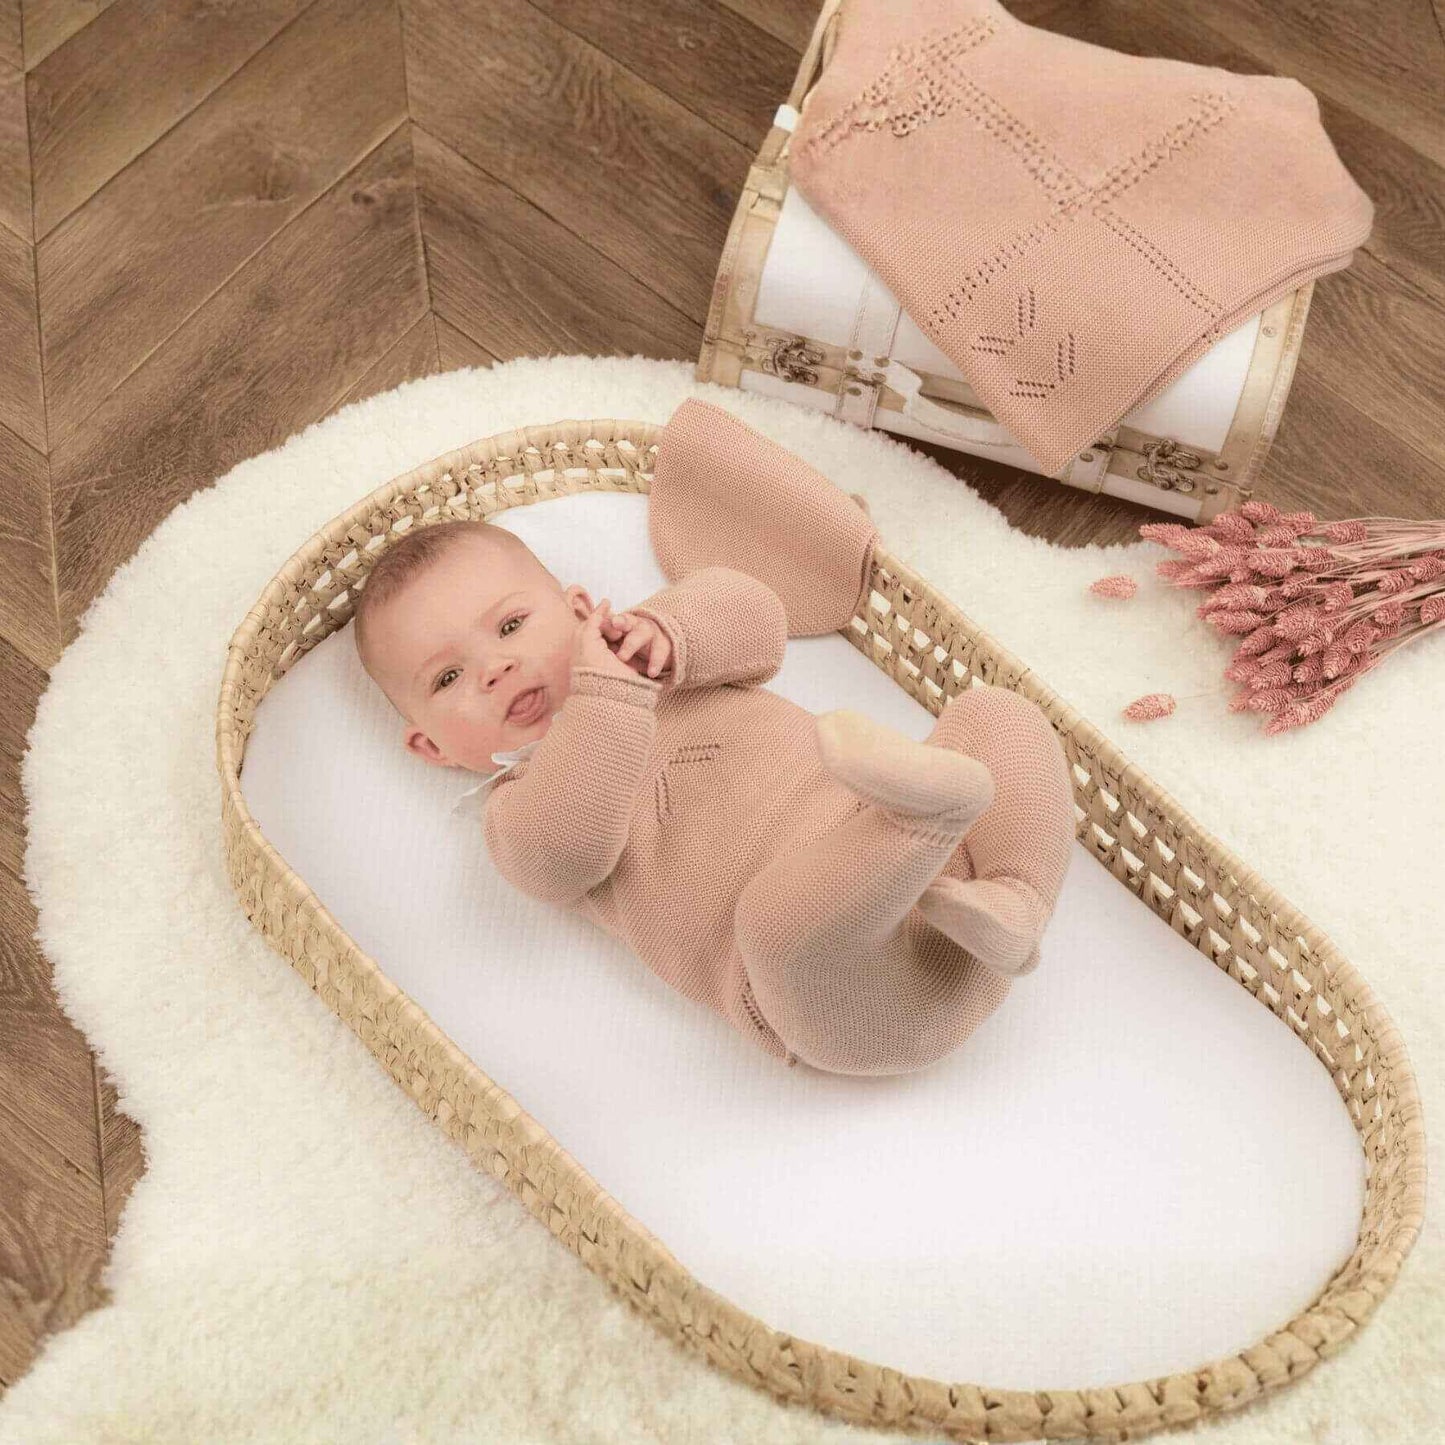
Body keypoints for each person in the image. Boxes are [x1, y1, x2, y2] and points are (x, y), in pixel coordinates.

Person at [352, 517, 1074, 1076]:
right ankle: (928, 813)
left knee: (996, 716)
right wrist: (608, 693)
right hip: (843, 989)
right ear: (433, 749)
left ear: (577, 607)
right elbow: (562, 853)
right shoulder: (519, 812)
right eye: (446, 679)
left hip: (957, 906)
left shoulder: (662, 657)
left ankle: (1014, 892)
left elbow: (759, 617)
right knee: (769, 920)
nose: (495, 667)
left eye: (510, 626)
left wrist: (668, 629)